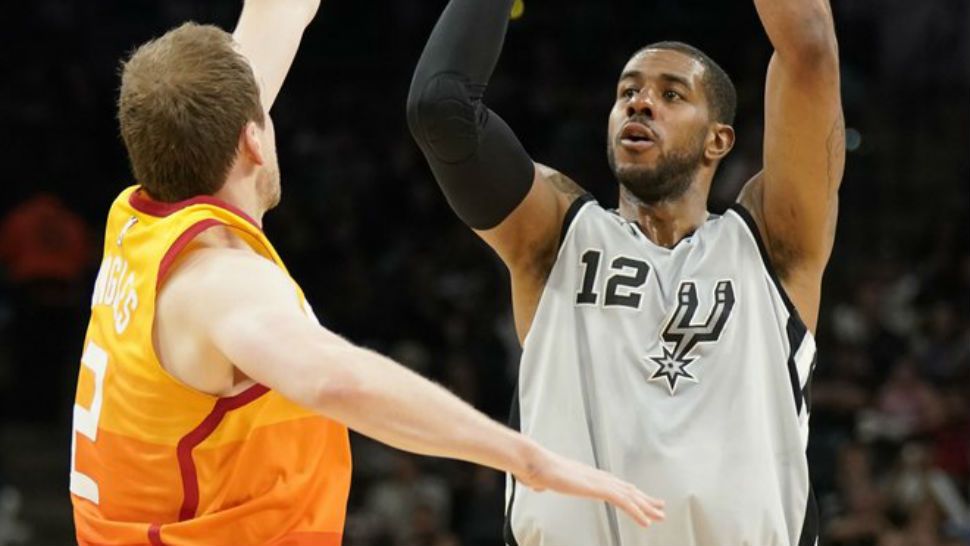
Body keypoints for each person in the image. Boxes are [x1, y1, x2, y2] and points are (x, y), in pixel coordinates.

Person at [68, 1, 665, 545]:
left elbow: (277, 11)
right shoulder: (218, 280)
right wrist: (531, 461)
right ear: (253, 141)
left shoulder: (147, 208)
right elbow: (337, 382)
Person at [406, 0, 844, 543]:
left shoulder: (772, 244)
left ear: (719, 140)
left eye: (671, 94)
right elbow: (441, 108)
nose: (640, 103)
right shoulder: (556, 235)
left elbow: (809, 50)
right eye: (627, 92)